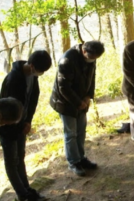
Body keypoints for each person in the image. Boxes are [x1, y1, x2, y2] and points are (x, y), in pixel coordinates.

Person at [0, 50, 52, 201]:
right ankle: (23, 195)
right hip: (7, 127)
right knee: (12, 161)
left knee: (20, 157)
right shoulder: (14, 79)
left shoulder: (33, 77)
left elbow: (33, 99)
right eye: (41, 70)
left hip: (22, 125)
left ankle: (27, 190)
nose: (41, 74)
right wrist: (20, 126)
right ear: (32, 65)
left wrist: (28, 121)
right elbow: (8, 111)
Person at [50, 40, 105, 177]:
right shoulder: (67, 60)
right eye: (92, 58)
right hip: (66, 103)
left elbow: (92, 78)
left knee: (81, 131)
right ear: (84, 52)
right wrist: (78, 102)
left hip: (82, 100)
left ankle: (81, 158)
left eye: (96, 58)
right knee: (71, 134)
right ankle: (73, 162)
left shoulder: (92, 57)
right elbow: (63, 87)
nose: (94, 60)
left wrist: (88, 96)